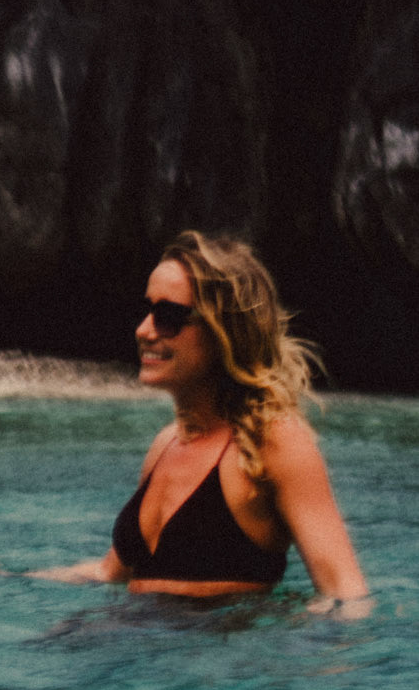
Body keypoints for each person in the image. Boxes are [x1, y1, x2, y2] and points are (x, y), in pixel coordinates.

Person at [39, 231, 369, 608]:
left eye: (168, 316)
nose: (143, 330)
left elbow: (346, 593)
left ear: (223, 330)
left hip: (211, 643)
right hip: (122, 636)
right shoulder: (166, 444)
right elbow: (109, 573)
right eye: (147, 311)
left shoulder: (272, 442)